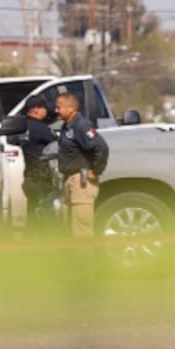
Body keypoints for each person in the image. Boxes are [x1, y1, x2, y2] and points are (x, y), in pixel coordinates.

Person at [55, 92, 109, 239]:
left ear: (71, 108)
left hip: (81, 183)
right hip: (69, 180)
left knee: (81, 228)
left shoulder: (81, 125)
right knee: (69, 227)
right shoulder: (67, 126)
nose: (56, 110)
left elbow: (101, 147)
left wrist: (96, 171)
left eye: (59, 107)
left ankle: (85, 254)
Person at [20, 95, 57, 233]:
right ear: (36, 110)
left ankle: (29, 241)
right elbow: (57, 143)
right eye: (44, 108)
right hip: (41, 179)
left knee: (31, 214)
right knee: (43, 217)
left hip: (29, 177)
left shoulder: (22, 126)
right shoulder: (41, 128)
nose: (46, 111)